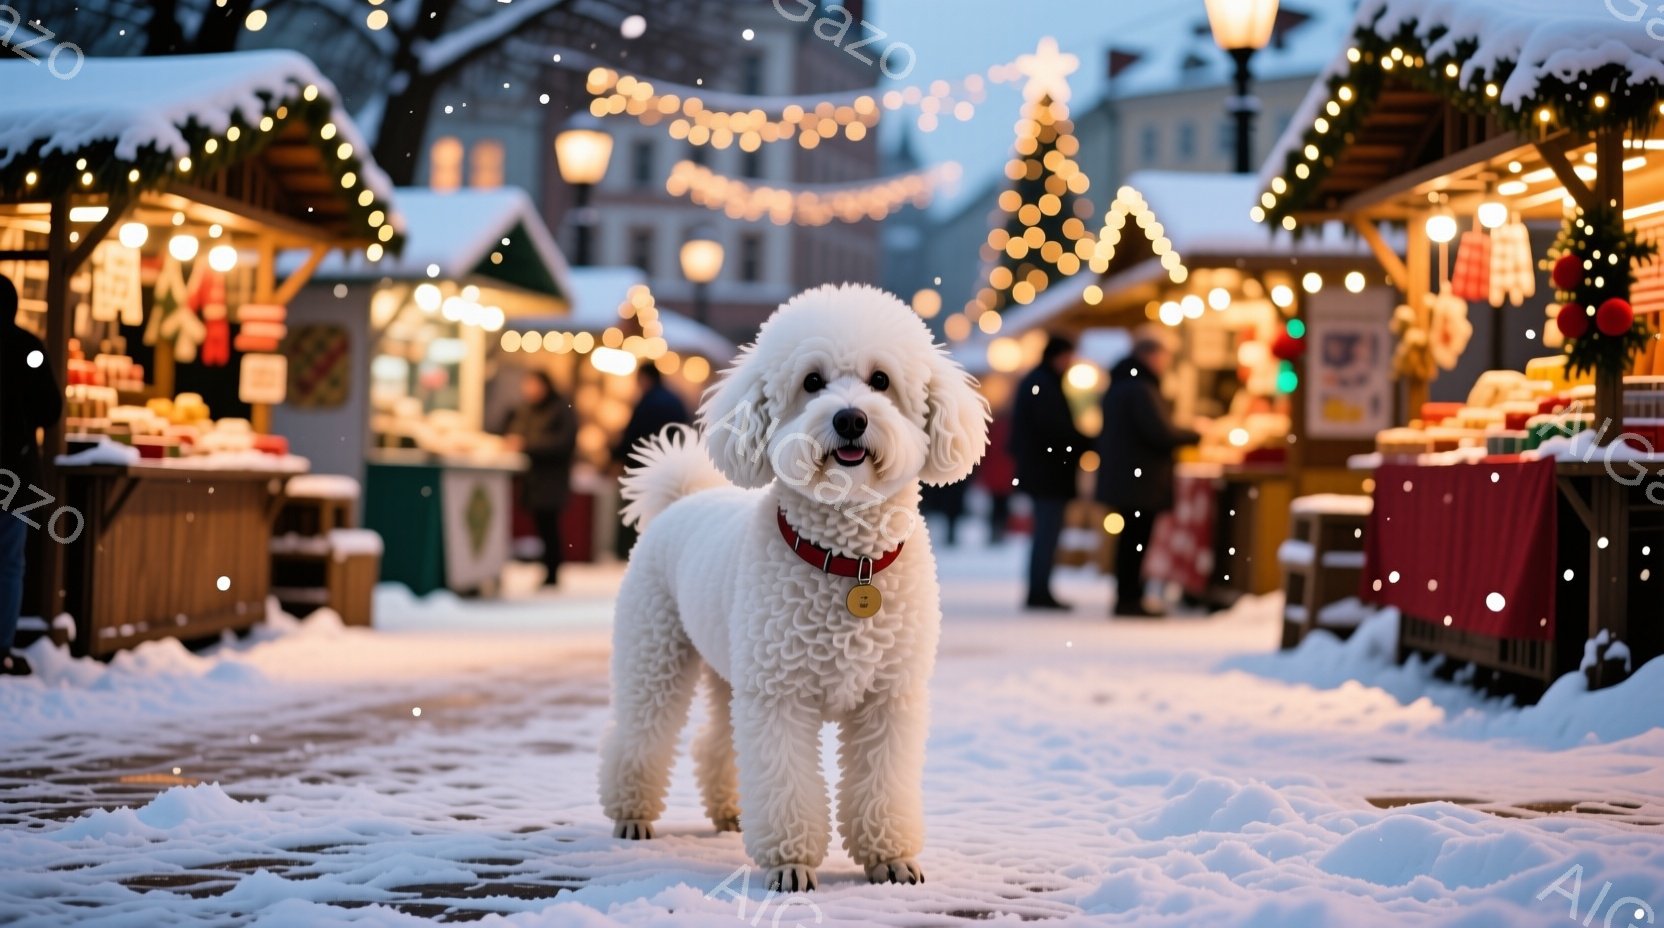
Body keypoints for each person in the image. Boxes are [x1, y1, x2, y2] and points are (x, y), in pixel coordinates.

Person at [1095, 335, 1203, 618]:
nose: (1166, 363)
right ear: (1151, 356)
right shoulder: (1140, 389)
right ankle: (1130, 599)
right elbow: (1159, 432)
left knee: (1130, 539)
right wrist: (1195, 434)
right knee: (1135, 539)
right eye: (1164, 357)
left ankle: (1127, 596)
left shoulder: (1121, 384)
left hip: (1128, 476)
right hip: (1139, 478)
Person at [1, 275, 62, 676]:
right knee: (8, 563)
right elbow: (50, 411)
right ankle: (1, 647)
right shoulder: (27, 348)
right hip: (15, 474)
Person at [1010, 334, 1085, 610]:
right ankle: (1039, 591)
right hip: (1048, 475)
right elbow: (1053, 431)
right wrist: (1086, 443)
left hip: (1043, 473)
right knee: (1047, 533)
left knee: (1045, 533)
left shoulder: (1038, 382)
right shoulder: (1044, 384)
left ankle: (1039, 589)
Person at [504, 369, 577, 587]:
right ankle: (549, 569)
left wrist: (527, 446)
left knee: (550, 526)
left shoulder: (560, 409)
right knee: (542, 525)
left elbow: (563, 443)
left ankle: (553, 571)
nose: (529, 390)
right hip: (534, 479)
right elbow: (514, 430)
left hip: (551, 479)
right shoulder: (526, 410)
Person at [611, 363, 691, 558]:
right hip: (669, 465)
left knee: (636, 510)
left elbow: (634, 434)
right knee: (663, 510)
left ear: (645, 378)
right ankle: (659, 550)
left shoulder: (647, 402)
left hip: (642, 465)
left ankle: (630, 550)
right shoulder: (675, 400)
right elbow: (684, 431)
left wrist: (616, 457)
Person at [978, 413, 1016, 545]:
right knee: (1002, 505)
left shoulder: (992, 429)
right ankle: (999, 530)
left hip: (995, 475)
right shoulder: (1010, 429)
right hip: (1005, 475)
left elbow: (985, 451)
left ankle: (995, 531)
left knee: (996, 505)